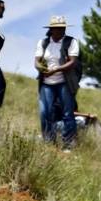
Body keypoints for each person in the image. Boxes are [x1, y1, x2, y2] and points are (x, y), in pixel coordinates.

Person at [35, 15, 81, 147]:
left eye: (62, 28)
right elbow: (36, 61)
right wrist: (40, 68)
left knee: (67, 113)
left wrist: (55, 70)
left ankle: (69, 143)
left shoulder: (71, 42)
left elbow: (72, 62)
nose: (61, 30)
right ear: (51, 29)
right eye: (57, 28)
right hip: (46, 83)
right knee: (45, 112)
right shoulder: (43, 43)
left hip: (64, 83)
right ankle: (48, 141)